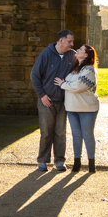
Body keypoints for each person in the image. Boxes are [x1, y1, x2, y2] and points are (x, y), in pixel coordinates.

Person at [31, 29, 76, 172]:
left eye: (72, 42)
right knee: (46, 132)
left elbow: (79, 74)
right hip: (47, 101)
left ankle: (59, 161)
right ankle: (42, 161)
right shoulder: (46, 54)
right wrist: (42, 95)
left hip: (63, 101)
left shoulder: (72, 56)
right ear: (61, 40)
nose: (72, 44)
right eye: (69, 41)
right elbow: (35, 76)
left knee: (60, 133)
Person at [54, 45, 100, 173]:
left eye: (80, 50)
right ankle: (77, 162)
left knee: (88, 135)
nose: (77, 50)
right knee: (76, 135)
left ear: (86, 55)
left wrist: (64, 84)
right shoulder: (74, 70)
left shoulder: (89, 70)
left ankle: (91, 163)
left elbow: (78, 86)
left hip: (87, 108)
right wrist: (68, 84)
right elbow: (73, 84)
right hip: (72, 108)